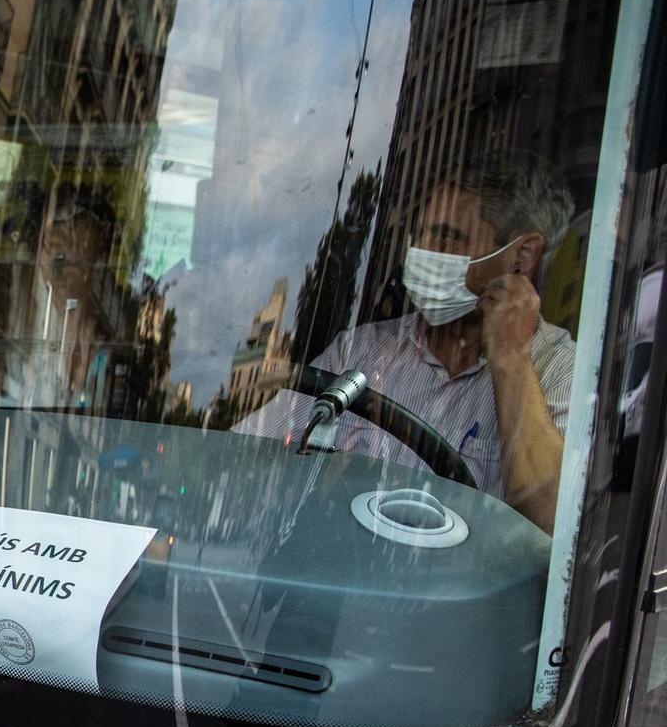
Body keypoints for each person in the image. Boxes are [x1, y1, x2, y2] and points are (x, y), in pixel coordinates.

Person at [234, 155, 576, 531]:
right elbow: (246, 454)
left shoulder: (557, 369)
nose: (419, 253)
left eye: (445, 237)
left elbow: (552, 524)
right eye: (420, 235)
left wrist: (511, 360)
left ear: (520, 257)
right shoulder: (360, 351)